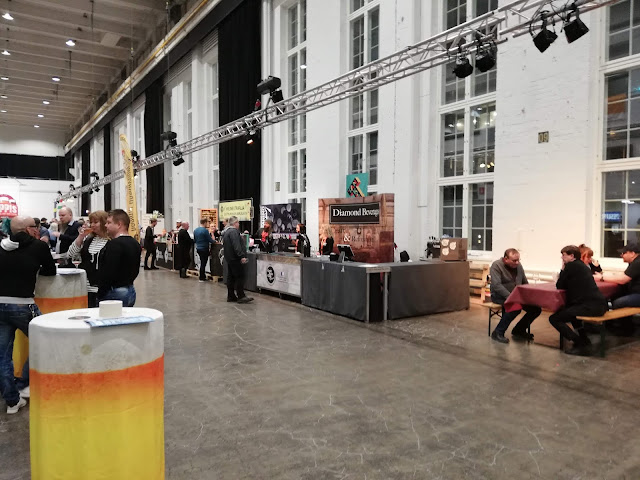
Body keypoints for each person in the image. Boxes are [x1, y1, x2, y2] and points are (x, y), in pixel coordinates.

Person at [0, 216, 56, 414]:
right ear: (28, 229)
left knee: (2, 356)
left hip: (0, 304)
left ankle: (12, 401)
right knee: (46, 341)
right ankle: (25, 384)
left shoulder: (1, 245)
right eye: (35, 226)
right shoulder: (38, 247)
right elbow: (50, 271)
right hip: (23, 305)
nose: (37, 229)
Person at [549, 245, 608, 356]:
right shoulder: (582, 266)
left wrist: (562, 268)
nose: (562, 258)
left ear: (572, 256)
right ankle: (584, 339)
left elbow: (560, 285)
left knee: (554, 318)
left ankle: (579, 342)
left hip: (589, 307)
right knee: (571, 313)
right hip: (599, 305)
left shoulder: (571, 266)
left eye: (564, 255)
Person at [489, 248, 542, 344]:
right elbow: (497, 285)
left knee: (536, 309)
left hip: (516, 296)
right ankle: (498, 332)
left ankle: (519, 330)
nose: (517, 262)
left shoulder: (518, 266)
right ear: (506, 259)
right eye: (514, 260)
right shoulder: (496, 265)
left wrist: (529, 295)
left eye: (518, 260)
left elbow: (524, 282)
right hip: (500, 296)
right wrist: (511, 296)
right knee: (515, 308)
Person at [97, 209, 141, 307]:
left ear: (119, 224)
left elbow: (108, 272)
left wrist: (101, 292)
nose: (106, 225)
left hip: (114, 292)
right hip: (130, 290)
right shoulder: (135, 243)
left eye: (109, 223)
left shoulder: (114, 245)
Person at [67, 210, 109, 308]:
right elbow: (70, 254)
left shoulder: (110, 241)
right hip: (85, 287)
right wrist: (81, 236)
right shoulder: (88, 239)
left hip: (102, 288)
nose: (92, 225)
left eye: (96, 222)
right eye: (91, 222)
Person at [224, 216, 253, 304]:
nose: (239, 224)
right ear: (235, 223)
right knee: (240, 276)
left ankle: (231, 296)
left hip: (229, 258)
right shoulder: (234, 232)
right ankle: (241, 296)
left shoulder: (227, 232)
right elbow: (236, 245)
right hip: (235, 258)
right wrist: (241, 256)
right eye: (238, 222)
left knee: (231, 277)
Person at [194, 218, 215, 282]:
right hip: (204, 248)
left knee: (202, 262)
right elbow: (209, 239)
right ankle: (201, 277)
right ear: (205, 223)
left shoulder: (196, 230)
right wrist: (214, 241)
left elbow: (195, 239)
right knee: (203, 263)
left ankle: (202, 275)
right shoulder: (205, 230)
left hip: (198, 248)